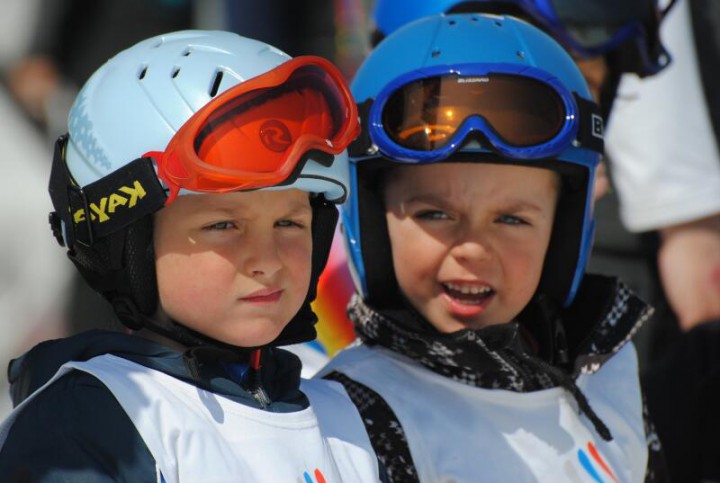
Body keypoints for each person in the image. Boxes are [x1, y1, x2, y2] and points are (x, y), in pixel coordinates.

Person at [0, 30, 384, 482]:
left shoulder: (343, 415)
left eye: (289, 223)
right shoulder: (90, 424)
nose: (267, 260)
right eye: (223, 226)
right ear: (127, 242)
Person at [317, 13, 664, 481]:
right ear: (373, 221)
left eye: (512, 219)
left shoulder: (605, 371)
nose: (474, 250)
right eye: (435, 214)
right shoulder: (352, 417)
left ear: (562, 232)